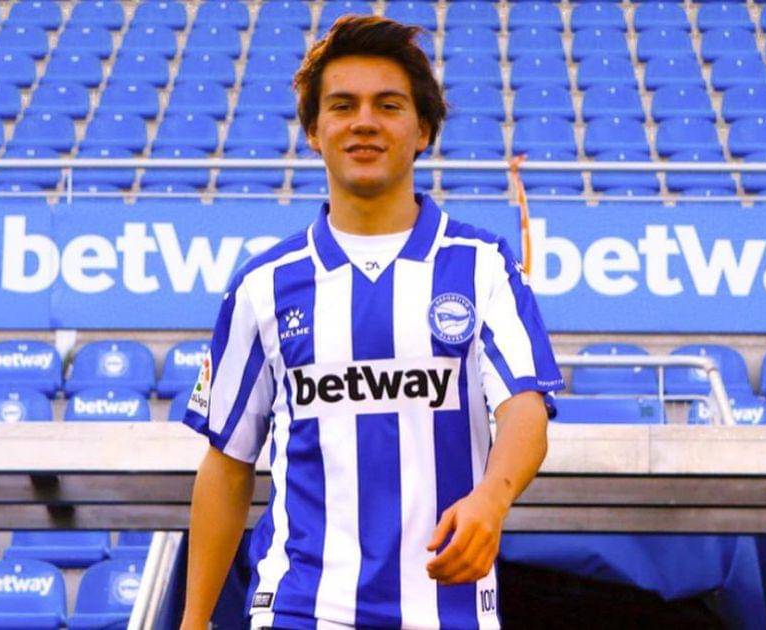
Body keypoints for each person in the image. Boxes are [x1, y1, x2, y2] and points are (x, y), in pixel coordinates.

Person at [180, 15, 564, 630]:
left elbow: (525, 409)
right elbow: (227, 463)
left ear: (423, 129)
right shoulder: (262, 286)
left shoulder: (482, 266)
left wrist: (492, 500)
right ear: (314, 131)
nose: (364, 121)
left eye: (388, 105)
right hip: (300, 609)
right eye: (342, 106)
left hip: (448, 610)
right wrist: (193, 621)